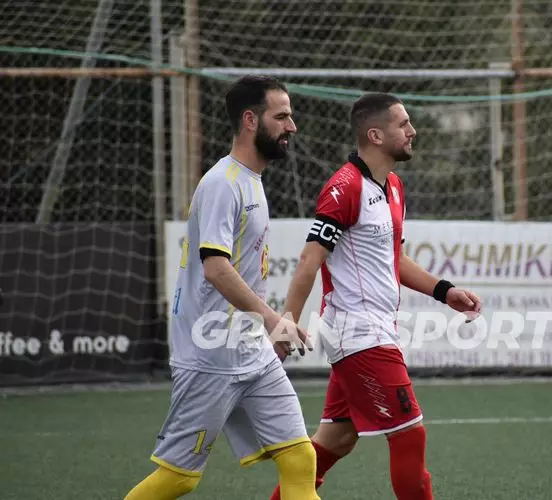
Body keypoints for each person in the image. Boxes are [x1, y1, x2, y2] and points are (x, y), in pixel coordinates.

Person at [269, 93, 482, 500]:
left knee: (336, 440)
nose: (412, 131)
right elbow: (310, 259)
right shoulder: (344, 187)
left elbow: (393, 258)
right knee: (410, 436)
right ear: (375, 135)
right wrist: (286, 322)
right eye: (403, 124)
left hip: (373, 332)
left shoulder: (393, 186)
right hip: (359, 335)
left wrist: (445, 291)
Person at [124, 76, 319, 500]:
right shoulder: (222, 183)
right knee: (179, 478)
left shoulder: (251, 180)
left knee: (300, 458)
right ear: (250, 120)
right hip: (209, 355)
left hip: (251, 352)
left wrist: (264, 331)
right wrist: (273, 321)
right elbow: (216, 269)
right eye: (281, 116)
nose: (292, 126)